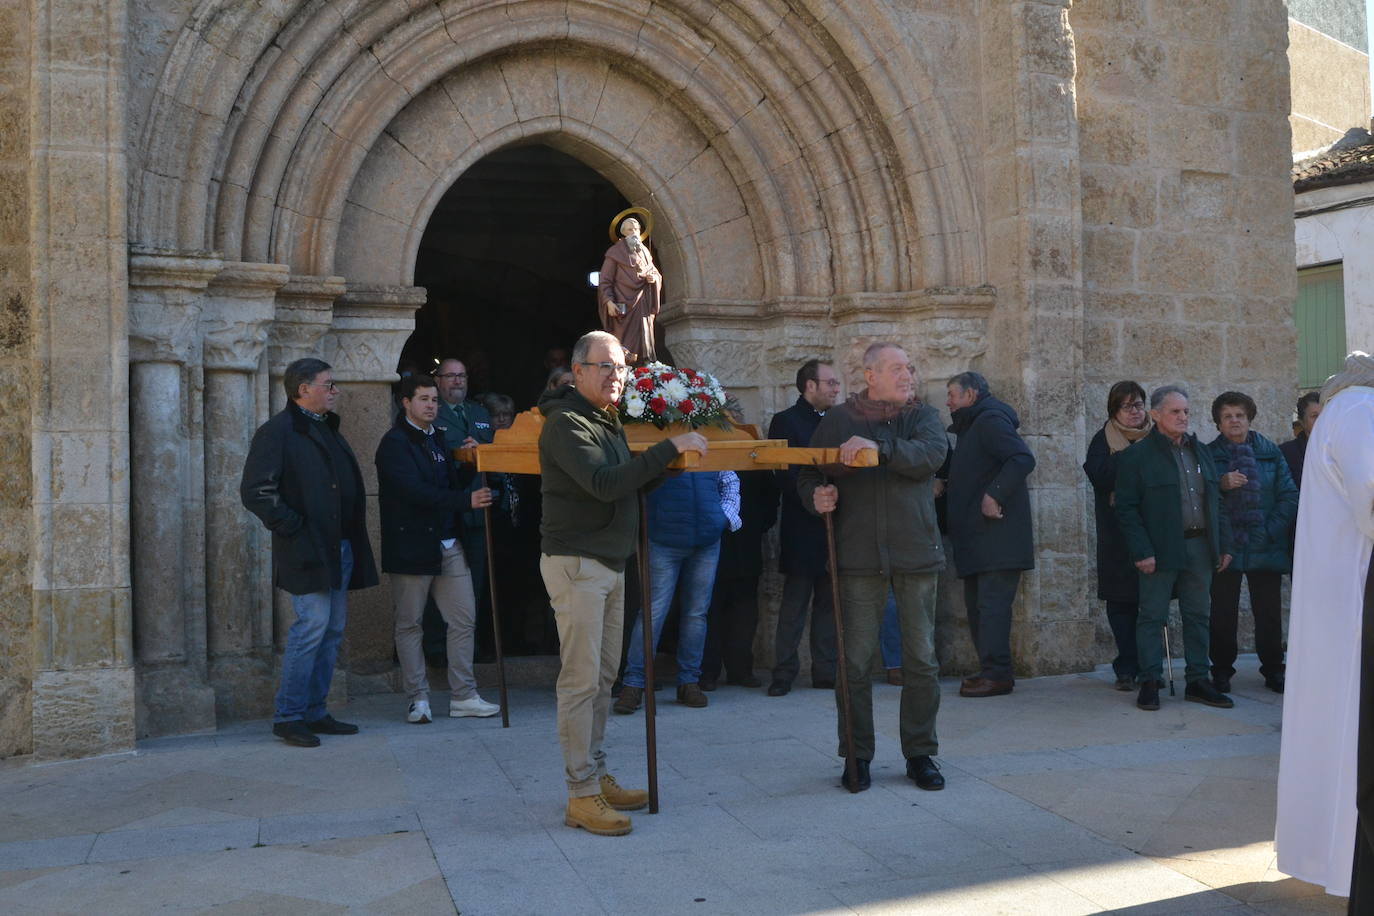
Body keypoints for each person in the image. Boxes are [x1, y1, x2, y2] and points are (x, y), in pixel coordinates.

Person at [537, 330, 707, 836]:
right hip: (578, 564)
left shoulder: (603, 419)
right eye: (607, 367)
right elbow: (604, 484)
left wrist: (667, 466)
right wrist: (666, 449)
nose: (618, 376)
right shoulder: (566, 422)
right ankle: (580, 793)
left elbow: (625, 480)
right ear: (578, 372)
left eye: (622, 368)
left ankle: (596, 771)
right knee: (581, 681)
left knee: (603, 680)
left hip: (608, 563)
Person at [798, 342, 948, 792]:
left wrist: (877, 448)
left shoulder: (924, 417)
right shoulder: (839, 420)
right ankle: (857, 756)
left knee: (921, 660)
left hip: (916, 555)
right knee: (855, 663)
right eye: (898, 369)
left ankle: (921, 754)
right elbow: (810, 473)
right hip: (859, 557)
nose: (909, 376)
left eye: (911, 368)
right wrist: (815, 498)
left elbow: (930, 456)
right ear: (870, 375)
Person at [1276, 352, 1374, 907]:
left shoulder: (1345, 407)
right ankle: (1343, 863)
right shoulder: (1363, 409)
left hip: (1341, 593)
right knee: (1351, 729)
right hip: (1355, 594)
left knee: (1335, 724)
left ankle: (1327, 857)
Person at [240, 358, 379, 747]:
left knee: (331, 630)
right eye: (328, 384)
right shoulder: (278, 432)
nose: (335, 391)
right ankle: (289, 716)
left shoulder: (326, 428)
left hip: (340, 546)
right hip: (307, 547)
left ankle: (315, 711)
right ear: (303, 389)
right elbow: (256, 491)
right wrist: (294, 526)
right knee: (311, 627)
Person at [375, 375, 500, 724]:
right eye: (424, 399)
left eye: (434, 400)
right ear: (406, 402)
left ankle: (464, 695)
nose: (431, 405)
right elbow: (416, 493)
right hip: (413, 545)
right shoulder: (394, 443)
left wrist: (468, 462)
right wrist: (466, 500)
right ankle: (418, 699)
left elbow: (446, 483)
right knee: (410, 624)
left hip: (447, 543)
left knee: (463, 619)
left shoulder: (440, 438)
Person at [1114, 385, 1233, 712]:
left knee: (1198, 614)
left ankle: (1197, 679)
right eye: (1175, 412)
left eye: (1186, 412)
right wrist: (1142, 550)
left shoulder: (1201, 451)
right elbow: (1125, 508)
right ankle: (1150, 680)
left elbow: (1215, 500)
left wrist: (1223, 544)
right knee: (1152, 615)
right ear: (1155, 415)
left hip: (1200, 546)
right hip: (1160, 547)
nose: (1182, 417)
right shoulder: (1136, 456)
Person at [615, 471, 739, 713]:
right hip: (663, 538)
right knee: (652, 613)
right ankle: (634, 683)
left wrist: (722, 518)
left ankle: (688, 681)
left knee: (696, 614)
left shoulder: (713, 437)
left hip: (705, 539)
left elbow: (729, 479)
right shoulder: (652, 435)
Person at [944, 371, 1036, 698]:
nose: (948, 401)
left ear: (970, 395)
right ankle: (990, 670)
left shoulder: (990, 420)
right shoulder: (975, 424)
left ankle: (997, 674)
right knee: (979, 607)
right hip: (979, 539)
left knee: (992, 607)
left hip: (998, 539)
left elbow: (1021, 458)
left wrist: (993, 494)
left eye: (952, 394)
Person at [1205, 391, 1297, 695]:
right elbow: (1199, 496)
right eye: (1228, 416)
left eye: (1240, 415)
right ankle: (1220, 671)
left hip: (1264, 544)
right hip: (1226, 548)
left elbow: (1289, 496)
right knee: (1222, 613)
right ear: (1218, 423)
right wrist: (1220, 484)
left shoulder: (1270, 451)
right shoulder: (1209, 456)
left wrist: (1268, 531)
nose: (1234, 421)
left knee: (1269, 613)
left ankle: (1273, 669)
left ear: (1249, 418)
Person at [766, 359, 843, 696]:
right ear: (810, 385)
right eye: (830, 383)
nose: (836, 389)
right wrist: (815, 497)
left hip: (836, 521)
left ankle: (825, 670)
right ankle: (783, 671)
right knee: (795, 603)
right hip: (801, 525)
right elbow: (783, 474)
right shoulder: (785, 421)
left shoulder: (841, 422)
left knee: (829, 602)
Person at [1082, 381, 1153, 690]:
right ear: (1115, 411)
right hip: (1116, 535)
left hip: (1153, 532)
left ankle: (1150, 667)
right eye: (1127, 406)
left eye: (1138, 404)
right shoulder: (1103, 440)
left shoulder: (1159, 436)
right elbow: (1098, 474)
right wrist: (1136, 458)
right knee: (1121, 603)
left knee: (1152, 604)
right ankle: (1126, 666)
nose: (1134, 411)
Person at [433, 358, 496, 659]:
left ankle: (474, 646)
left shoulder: (480, 412)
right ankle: (437, 648)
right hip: (447, 512)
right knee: (442, 585)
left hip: (479, 509)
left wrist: (483, 453)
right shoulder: (433, 414)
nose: (457, 381)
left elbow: (498, 460)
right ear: (438, 381)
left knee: (478, 583)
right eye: (450, 376)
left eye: (462, 375)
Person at [701, 465, 778, 691]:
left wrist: (757, 524)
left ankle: (739, 670)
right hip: (713, 545)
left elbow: (770, 498)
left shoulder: (751, 456)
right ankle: (709, 671)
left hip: (745, 544)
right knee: (710, 612)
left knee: (743, 612)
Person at [597, 215, 661, 363]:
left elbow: (654, 273)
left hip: (642, 305)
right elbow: (605, 280)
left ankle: (643, 370)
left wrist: (653, 279)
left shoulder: (645, 252)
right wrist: (608, 302)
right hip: (624, 306)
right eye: (630, 229)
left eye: (637, 229)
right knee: (623, 344)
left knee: (644, 341)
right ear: (623, 233)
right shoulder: (615, 253)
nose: (634, 232)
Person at [1279, 391, 1321, 490]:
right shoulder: (1286, 453)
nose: (1321, 419)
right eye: (1314, 416)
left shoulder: (1341, 448)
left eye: (1325, 414)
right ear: (1302, 421)